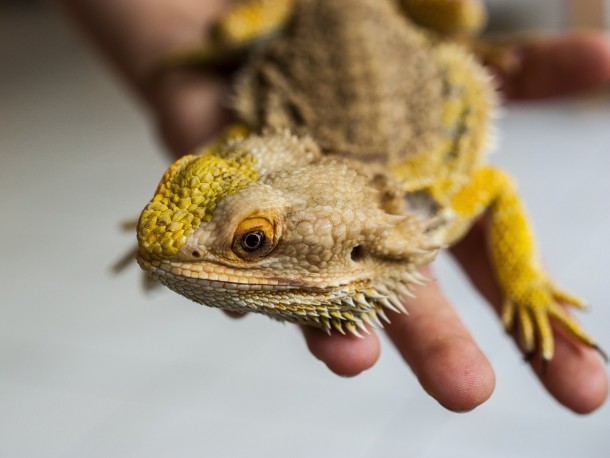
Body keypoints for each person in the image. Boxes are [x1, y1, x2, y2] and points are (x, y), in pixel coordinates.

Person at [59, 0, 609, 414]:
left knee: (462, 15)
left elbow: (494, 186)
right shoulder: (281, 156)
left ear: (354, 248)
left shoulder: (430, 195)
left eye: (253, 243)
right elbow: (231, 158)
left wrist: (524, 284)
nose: (238, 247)